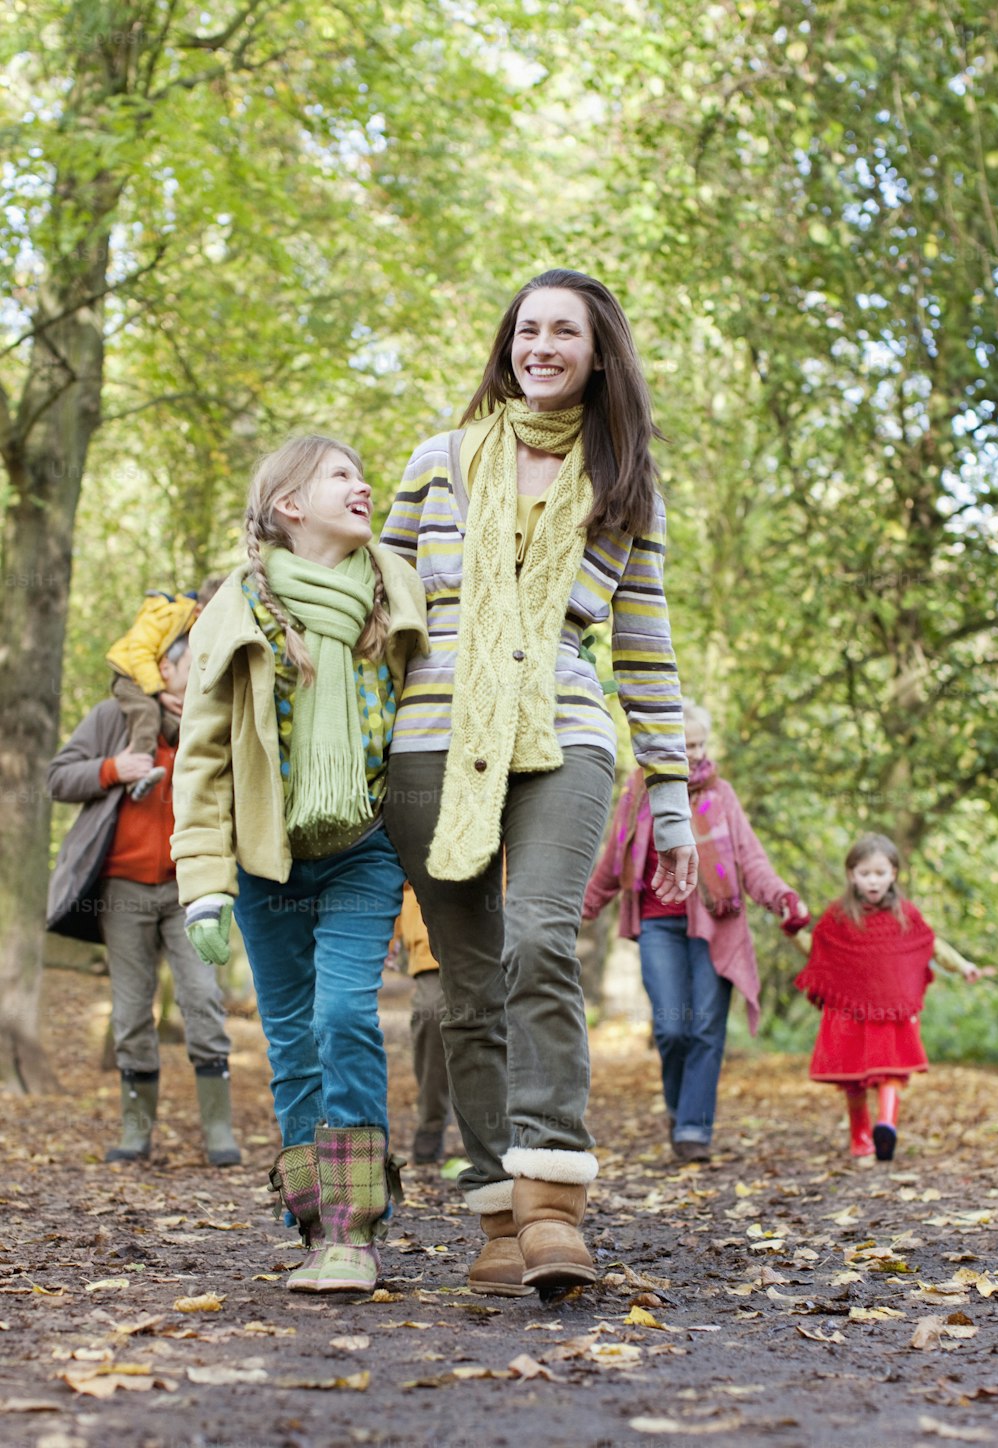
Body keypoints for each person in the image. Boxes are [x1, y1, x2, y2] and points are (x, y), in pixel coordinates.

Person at [380, 268, 698, 1300]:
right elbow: (370, 599)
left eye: (564, 330)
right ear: (507, 344)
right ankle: (495, 1215)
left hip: (563, 729)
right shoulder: (439, 462)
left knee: (540, 937)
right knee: (464, 988)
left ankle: (553, 1196)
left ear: (598, 351)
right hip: (431, 734)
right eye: (527, 329)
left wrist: (671, 795)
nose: (541, 345)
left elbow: (643, 650)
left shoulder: (626, 486)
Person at [171, 434, 428, 1294]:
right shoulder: (235, 610)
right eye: (341, 476)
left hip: (363, 849)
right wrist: (202, 885)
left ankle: (357, 1229)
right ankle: (315, 1226)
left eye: (363, 471)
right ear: (289, 506)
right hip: (266, 864)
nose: (363, 485)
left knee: (344, 1016)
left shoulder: (396, 590)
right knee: (291, 1046)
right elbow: (201, 759)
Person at [584, 698, 811, 1163]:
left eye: (701, 744)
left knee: (706, 1028)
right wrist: (574, 910)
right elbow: (611, 863)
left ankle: (693, 1128)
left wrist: (783, 897)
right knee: (672, 1028)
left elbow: (751, 861)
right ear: (662, 746)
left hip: (716, 928)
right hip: (656, 925)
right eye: (686, 745)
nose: (696, 753)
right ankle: (678, 1108)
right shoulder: (637, 794)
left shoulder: (719, 795)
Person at [47, 637, 240, 1168]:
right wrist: (113, 768)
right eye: (190, 662)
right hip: (122, 891)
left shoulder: (214, 715)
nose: (201, 669)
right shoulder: (113, 716)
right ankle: (135, 1132)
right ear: (163, 669)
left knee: (202, 1000)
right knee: (131, 1013)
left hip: (190, 888)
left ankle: (219, 1131)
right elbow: (58, 776)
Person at [793, 833, 982, 1162]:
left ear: (893, 873)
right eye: (865, 873)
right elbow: (817, 950)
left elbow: (931, 946)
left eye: (880, 873)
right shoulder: (838, 916)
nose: (873, 880)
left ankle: (886, 1128)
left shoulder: (905, 914)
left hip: (891, 1011)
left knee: (891, 1070)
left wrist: (963, 965)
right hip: (850, 1009)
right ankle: (859, 1135)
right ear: (852, 874)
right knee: (853, 1080)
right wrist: (793, 931)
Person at [106, 579, 222, 799]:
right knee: (147, 713)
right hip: (130, 677)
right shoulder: (167, 615)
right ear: (199, 610)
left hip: (147, 680)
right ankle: (139, 776)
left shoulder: (188, 626)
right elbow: (139, 652)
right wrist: (159, 694)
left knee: (171, 723)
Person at [388, 883, 452, 1166]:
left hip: (499, 930)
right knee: (431, 1015)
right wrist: (386, 937)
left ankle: (504, 1127)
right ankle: (432, 1121)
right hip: (431, 943)